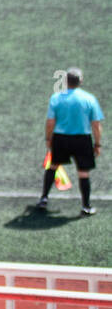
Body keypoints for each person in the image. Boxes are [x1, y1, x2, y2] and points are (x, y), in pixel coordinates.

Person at [38, 68, 102, 216]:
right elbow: (96, 125)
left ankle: (44, 198)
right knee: (83, 173)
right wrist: (97, 144)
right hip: (82, 139)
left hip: (61, 138)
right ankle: (85, 206)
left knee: (53, 166)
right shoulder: (89, 99)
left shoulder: (56, 98)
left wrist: (48, 138)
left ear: (66, 81)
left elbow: (50, 122)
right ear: (80, 81)